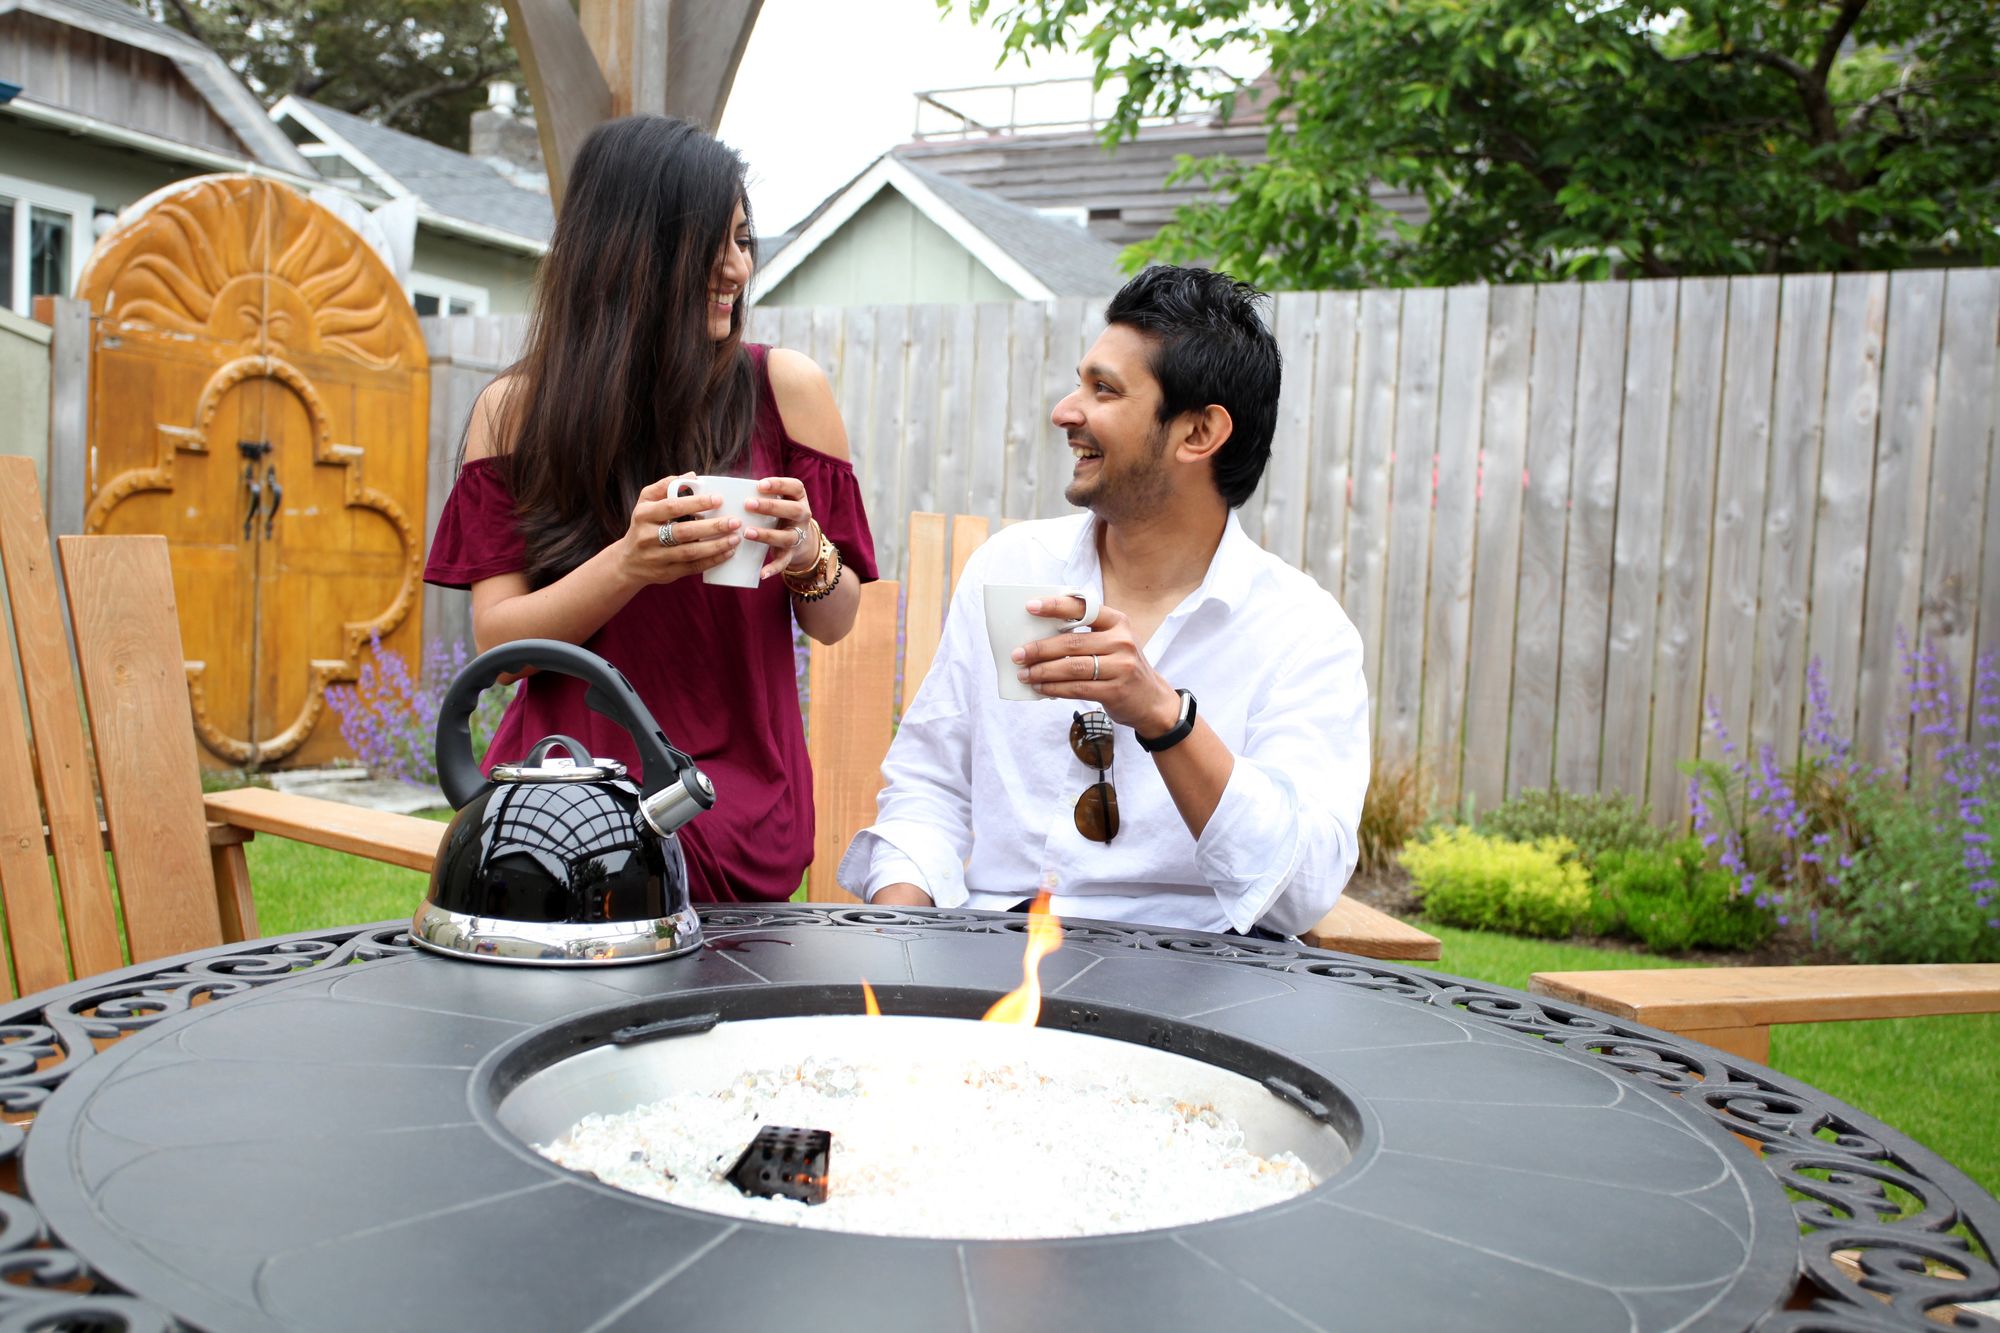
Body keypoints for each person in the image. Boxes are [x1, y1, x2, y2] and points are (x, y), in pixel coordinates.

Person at [423, 115, 876, 904]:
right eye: (714, 240)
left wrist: (807, 551)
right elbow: (502, 643)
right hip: (565, 808)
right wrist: (630, 562)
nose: (737, 266)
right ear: (633, 247)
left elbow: (837, 620)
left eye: (744, 239)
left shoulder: (784, 390)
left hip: (738, 807)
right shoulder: (517, 411)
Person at [839, 265, 1367, 938]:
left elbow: (1300, 890)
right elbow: (928, 787)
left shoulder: (1301, 631)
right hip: (995, 955)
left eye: (1103, 390)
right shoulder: (1013, 569)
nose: (1065, 411)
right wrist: (893, 937)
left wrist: (1164, 716)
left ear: (1198, 433)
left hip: (1196, 977)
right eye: (1078, 382)